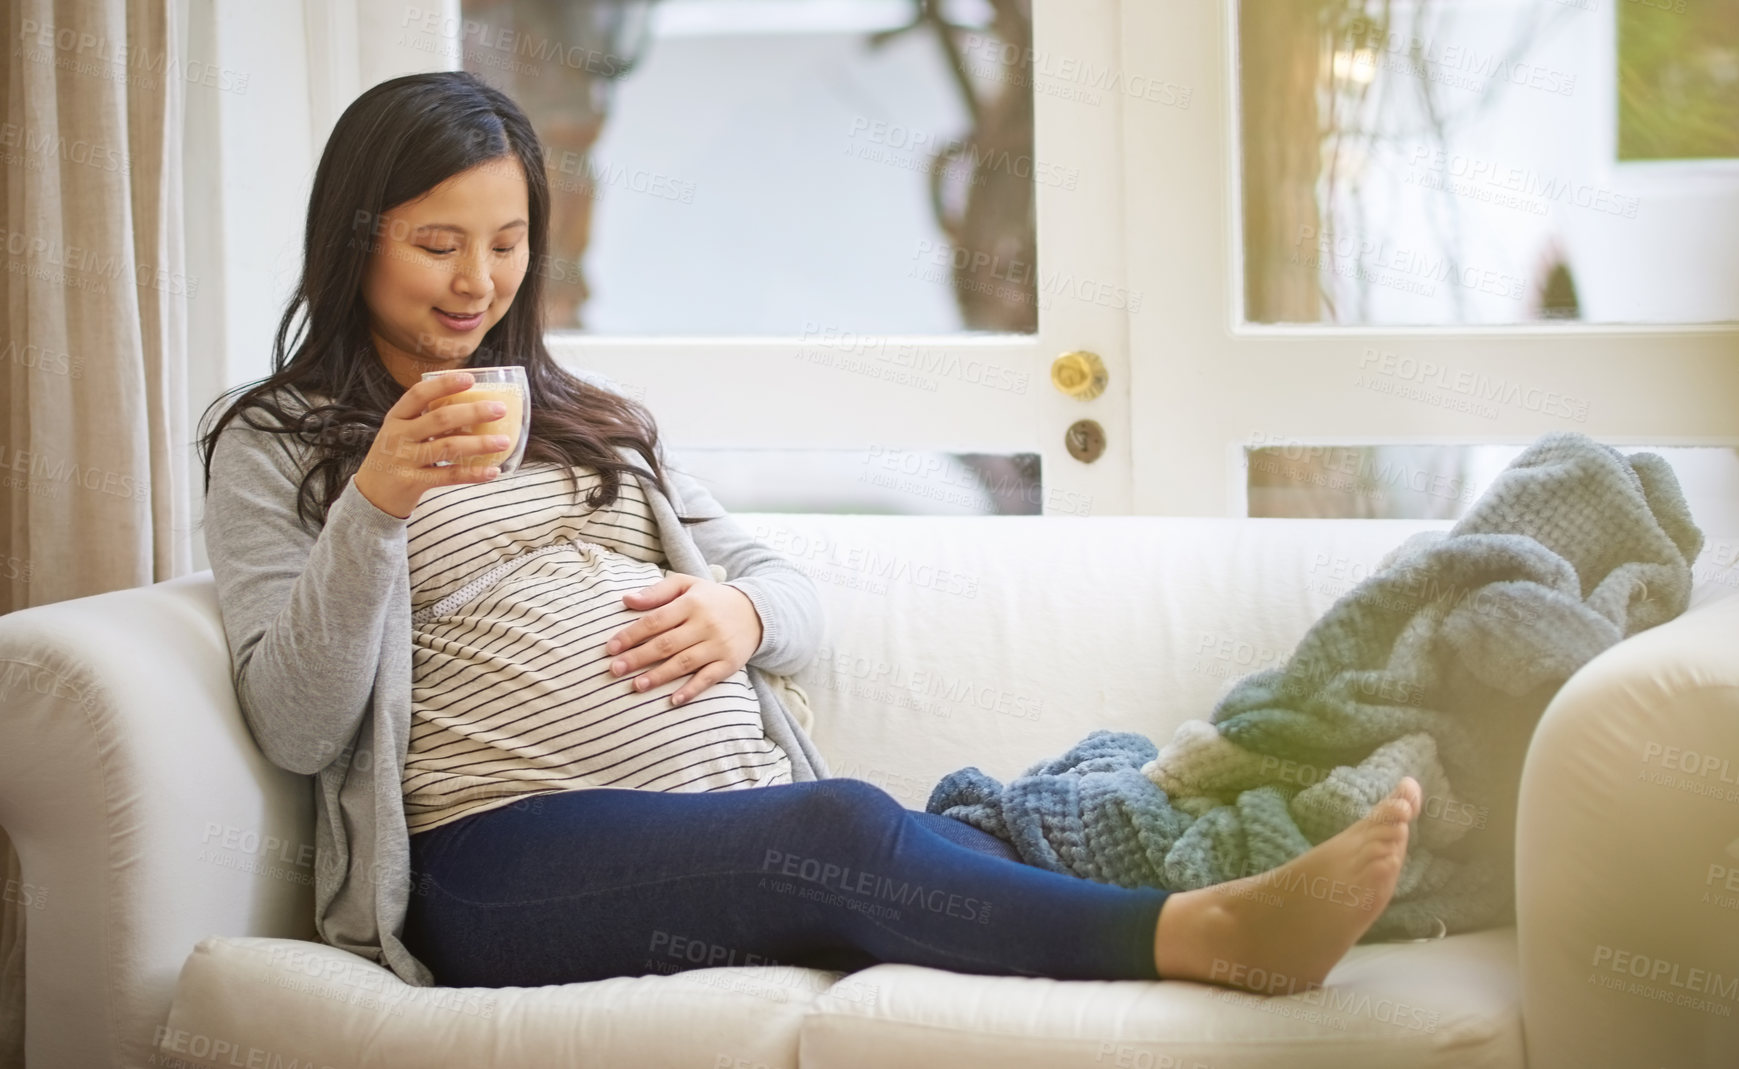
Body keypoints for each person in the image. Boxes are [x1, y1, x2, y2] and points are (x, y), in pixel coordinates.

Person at [199, 71, 1418, 994]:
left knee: (983, 824)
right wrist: (377, 503)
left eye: (508, 244)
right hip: (496, 854)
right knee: (837, 833)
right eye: (438, 245)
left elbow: (791, 591)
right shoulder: (275, 441)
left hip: (720, 809)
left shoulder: (593, 420)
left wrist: (742, 612)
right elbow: (297, 722)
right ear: (356, 237)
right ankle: (1202, 937)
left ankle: (1302, 874)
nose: (478, 283)